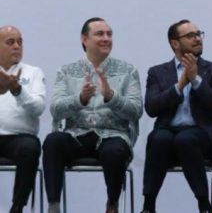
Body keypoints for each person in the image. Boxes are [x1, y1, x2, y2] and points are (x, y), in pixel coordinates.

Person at [42, 18, 143, 213]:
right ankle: (53, 206)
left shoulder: (128, 70)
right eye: (100, 34)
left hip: (113, 134)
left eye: (109, 34)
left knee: (114, 151)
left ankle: (112, 204)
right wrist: (79, 99)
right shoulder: (66, 71)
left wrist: (111, 97)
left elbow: (136, 110)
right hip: (76, 135)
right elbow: (56, 109)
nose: (106, 38)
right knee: (53, 141)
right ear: (84, 39)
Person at [142, 20, 212, 213]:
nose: (198, 38)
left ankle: (203, 203)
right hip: (167, 131)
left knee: (185, 139)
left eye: (199, 34)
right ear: (175, 43)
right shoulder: (157, 72)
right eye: (191, 35)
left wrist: (196, 80)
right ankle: (148, 205)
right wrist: (180, 86)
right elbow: (151, 108)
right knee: (158, 138)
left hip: (200, 135)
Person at [0, 25, 46, 213]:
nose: (17, 46)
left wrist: (18, 90)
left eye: (20, 42)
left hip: (20, 138)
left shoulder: (33, 73)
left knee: (30, 149)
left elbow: (38, 108)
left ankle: (17, 207)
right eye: (10, 42)